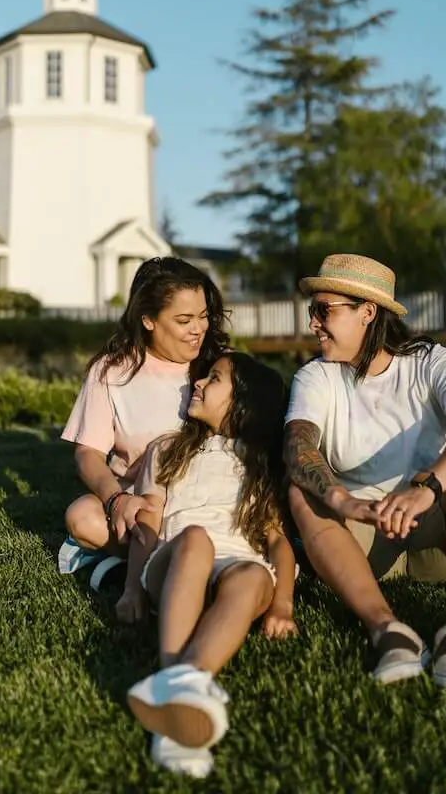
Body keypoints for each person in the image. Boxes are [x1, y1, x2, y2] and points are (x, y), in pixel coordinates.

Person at [284, 254, 446, 690]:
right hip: (360, 542)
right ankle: (387, 630)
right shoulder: (316, 377)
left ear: (367, 312)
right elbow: (297, 446)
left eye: (324, 310)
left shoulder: (431, 361)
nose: (313, 324)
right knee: (300, 488)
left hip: (438, 536)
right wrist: (346, 502)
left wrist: (427, 487)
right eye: (313, 311)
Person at [124, 351, 298, 778]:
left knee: (255, 573)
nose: (198, 383)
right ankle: (173, 678)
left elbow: (278, 543)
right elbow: (148, 522)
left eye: (214, 379)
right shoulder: (167, 450)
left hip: (238, 561)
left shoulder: (261, 466)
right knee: (196, 539)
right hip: (177, 557)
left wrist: (283, 605)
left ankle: (185, 688)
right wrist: (132, 588)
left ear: (242, 403)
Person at [58, 256, 230, 599]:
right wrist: (116, 500)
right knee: (82, 517)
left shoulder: (221, 368)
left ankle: (141, 568)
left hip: (206, 502)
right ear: (148, 319)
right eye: (183, 320)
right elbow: (88, 453)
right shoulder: (113, 372)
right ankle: (166, 567)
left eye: (202, 316)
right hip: (141, 508)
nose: (198, 329)